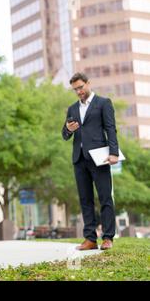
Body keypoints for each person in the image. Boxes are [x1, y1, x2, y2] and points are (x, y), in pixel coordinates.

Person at [62, 72, 118, 251]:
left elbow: (110, 129)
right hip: (79, 159)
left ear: (88, 83)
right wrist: (68, 129)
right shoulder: (72, 109)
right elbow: (65, 135)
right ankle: (90, 239)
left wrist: (114, 153)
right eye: (75, 89)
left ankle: (108, 238)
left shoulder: (103, 103)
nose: (78, 91)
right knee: (85, 200)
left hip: (99, 158)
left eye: (80, 87)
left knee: (105, 198)